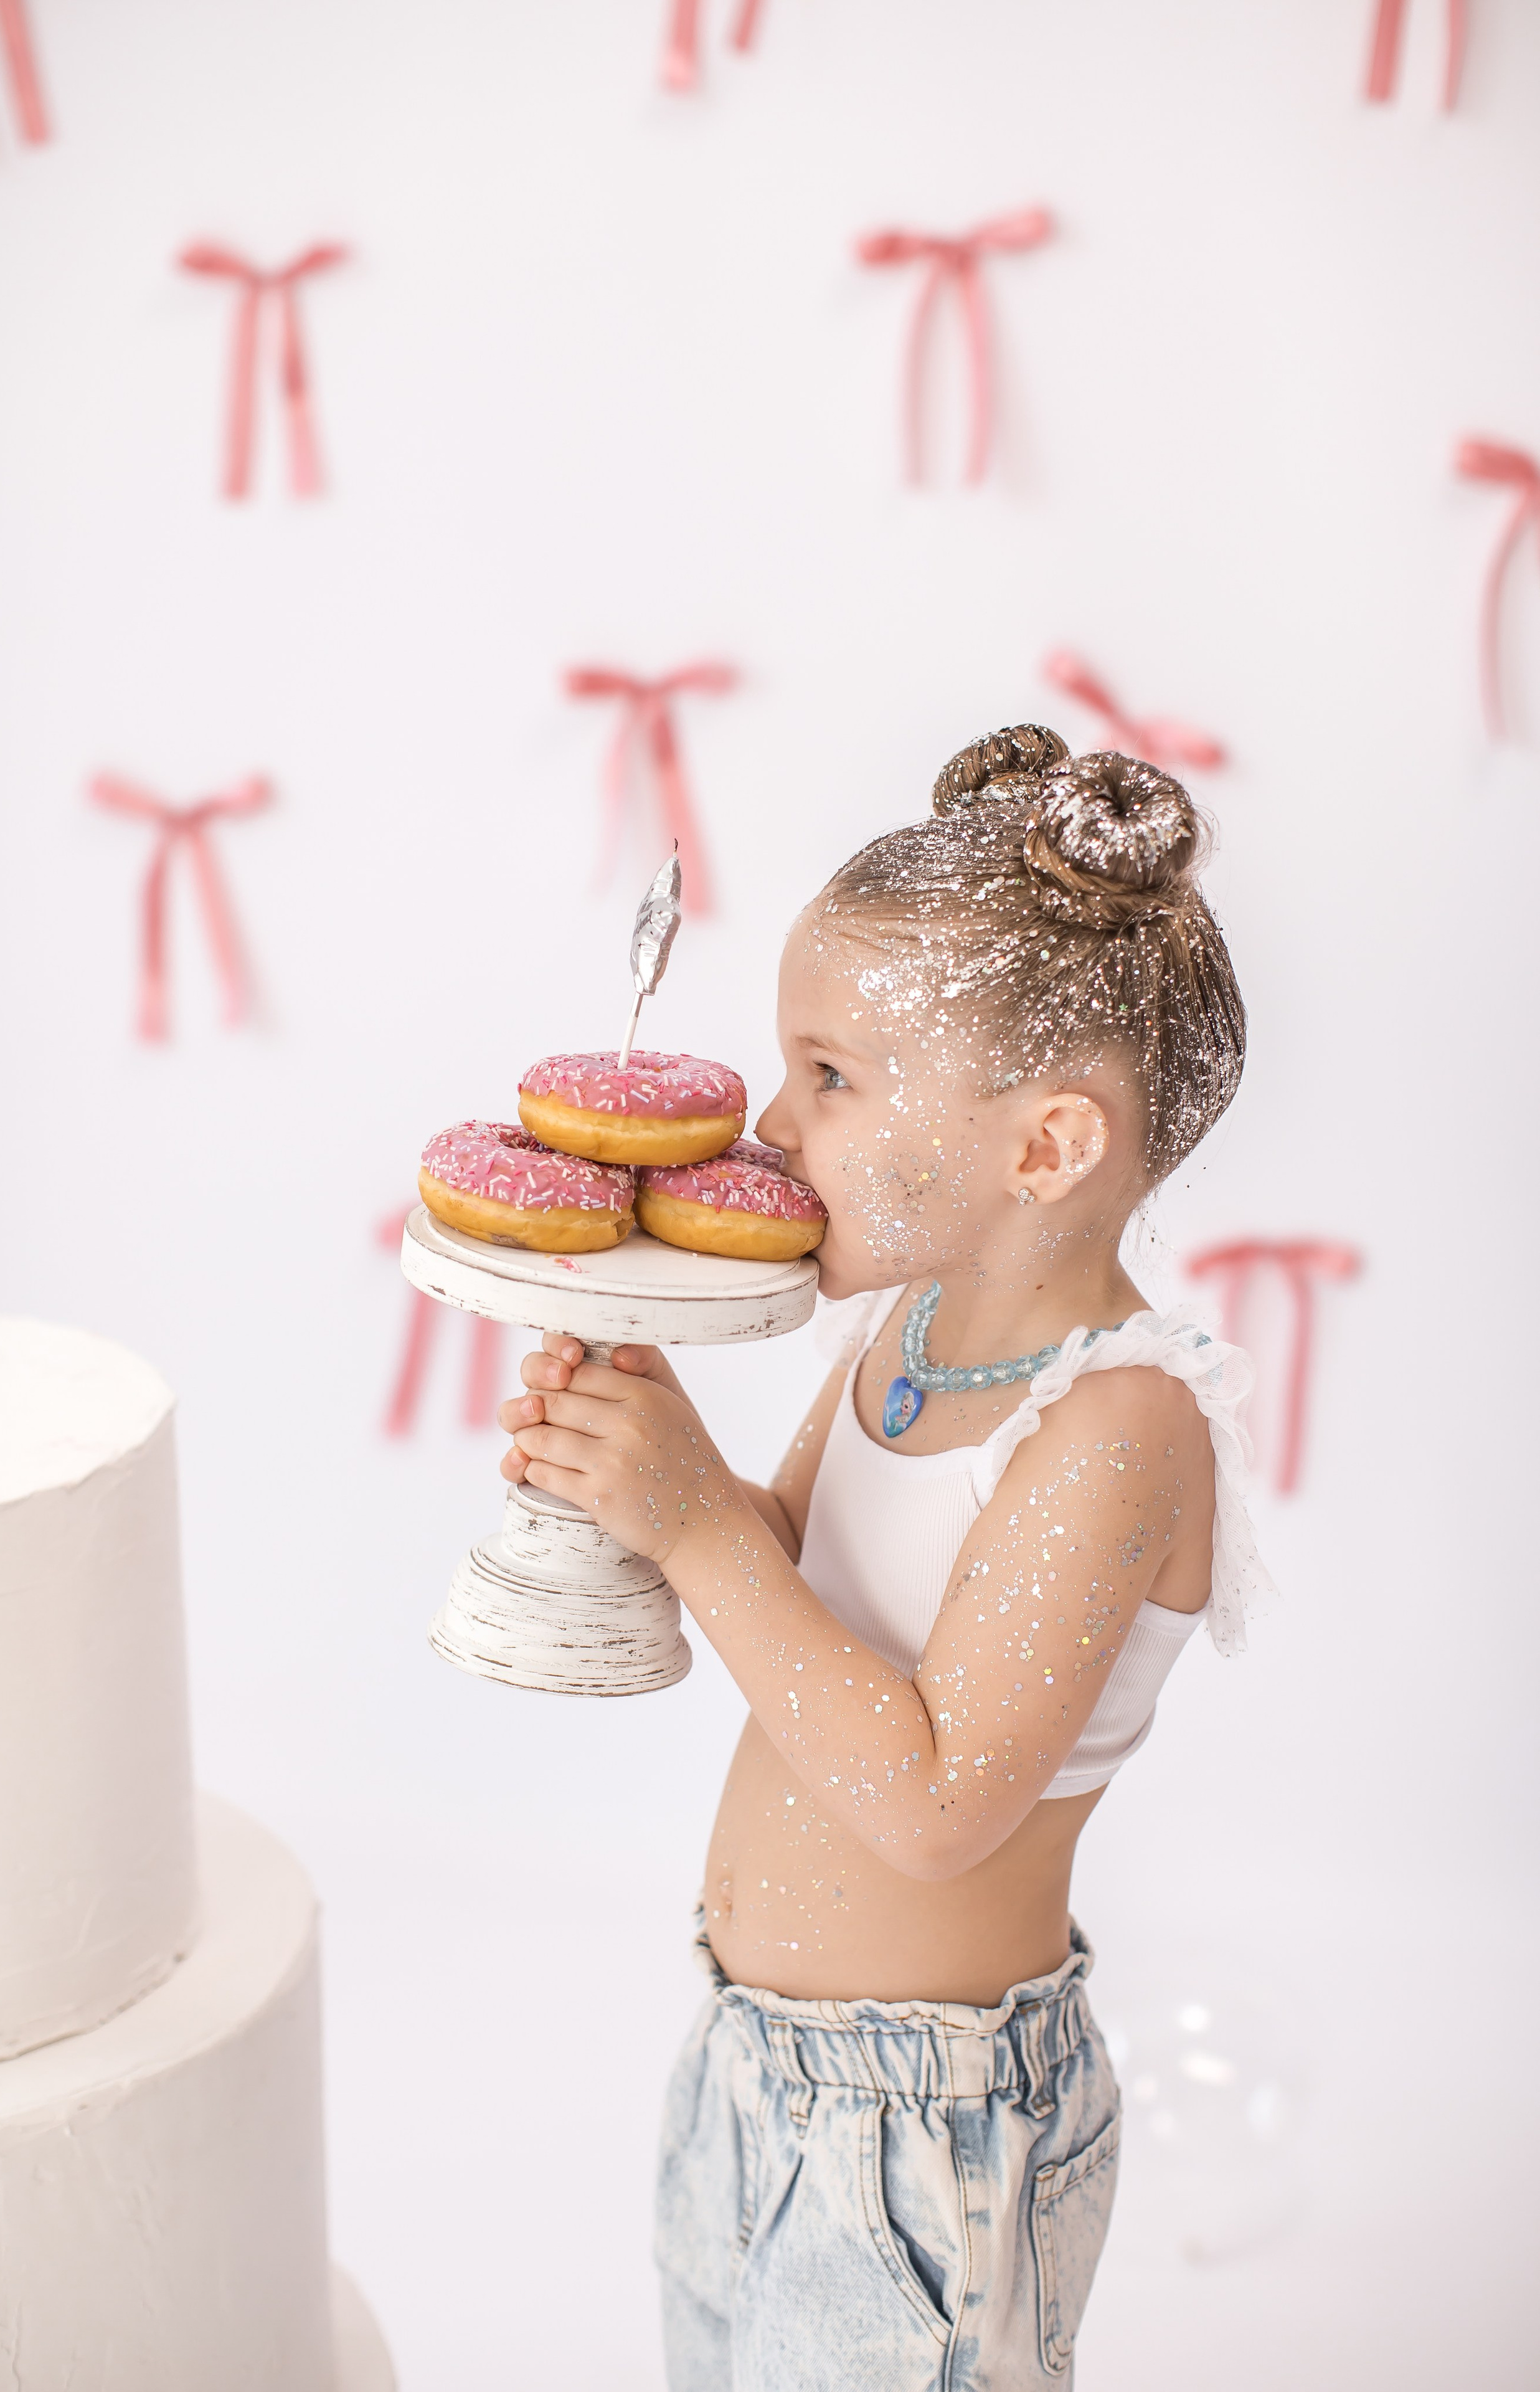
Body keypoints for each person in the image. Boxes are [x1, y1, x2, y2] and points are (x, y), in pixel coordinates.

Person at [497, 723, 1273, 2390]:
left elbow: (934, 1805)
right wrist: (640, 1461)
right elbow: (796, 1577)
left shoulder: (1118, 1425)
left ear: (1047, 1149)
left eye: (831, 1078)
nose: (774, 1122)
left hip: (926, 2133)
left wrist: (694, 1521)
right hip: (750, 2063)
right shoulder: (913, 1329)